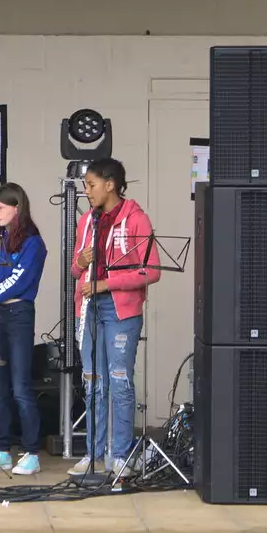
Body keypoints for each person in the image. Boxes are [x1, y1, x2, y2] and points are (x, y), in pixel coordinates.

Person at [70, 157, 160, 478]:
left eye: (91, 185)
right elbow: (75, 269)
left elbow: (151, 270)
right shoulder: (87, 221)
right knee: (93, 382)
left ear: (110, 184)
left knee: (120, 381)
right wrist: (80, 261)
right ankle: (93, 454)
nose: (87, 191)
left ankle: (120, 455)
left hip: (121, 309)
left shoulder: (136, 220)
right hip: (90, 307)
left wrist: (107, 283)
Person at [0, 183, 47, 476]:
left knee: (20, 388)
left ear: (17, 208)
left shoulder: (32, 243)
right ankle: (2, 450)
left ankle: (31, 452)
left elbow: (18, 281)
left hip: (17, 315)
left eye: (0, 208)